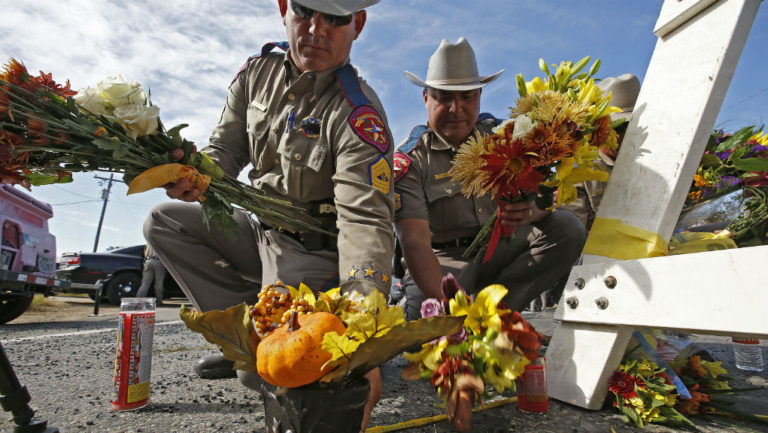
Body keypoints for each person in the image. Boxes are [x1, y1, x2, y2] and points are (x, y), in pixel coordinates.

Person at [143, 1, 393, 430]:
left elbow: (364, 221)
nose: (317, 29)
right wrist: (192, 174)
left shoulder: (357, 114)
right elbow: (225, 153)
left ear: (359, 24)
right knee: (163, 221)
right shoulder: (255, 75)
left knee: (273, 371)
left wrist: (360, 327)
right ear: (283, 8)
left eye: (335, 18)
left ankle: (268, 348)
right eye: (305, 10)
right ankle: (240, 341)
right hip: (260, 233)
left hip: (312, 250)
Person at [393, 37, 587, 320]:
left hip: (501, 250)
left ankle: (496, 318)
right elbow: (415, 244)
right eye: (444, 98)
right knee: (424, 333)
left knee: (567, 228)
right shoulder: (410, 160)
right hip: (442, 263)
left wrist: (534, 210)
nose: (456, 109)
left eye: (466, 97)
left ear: (480, 95)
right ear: (426, 98)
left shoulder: (507, 137)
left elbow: (547, 196)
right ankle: (464, 320)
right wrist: (451, 310)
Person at [561, 73, 641, 231]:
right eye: (618, 127)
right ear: (599, 131)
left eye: (632, 126)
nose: (624, 135)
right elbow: (574, 232)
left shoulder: (662, 158)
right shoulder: (581, 175)